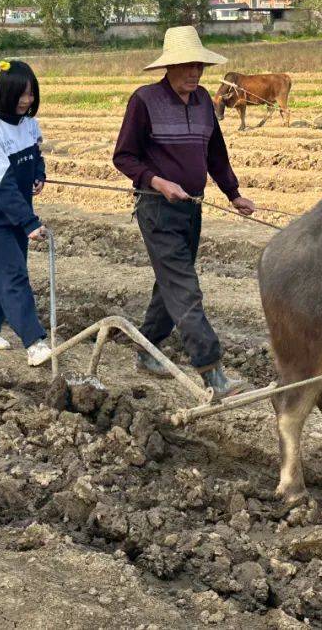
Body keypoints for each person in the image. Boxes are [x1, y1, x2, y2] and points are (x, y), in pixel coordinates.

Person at [112, 25, 256, 398]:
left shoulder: (204, 100)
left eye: (199, 67)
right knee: (183, 286)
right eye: (187, 66)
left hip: (192, 208)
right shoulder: (144, 101)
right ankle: (211, 370)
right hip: (157, 208)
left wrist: (233, 193)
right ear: (170, 66)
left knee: (171, 281)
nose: (195, 73)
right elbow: (124, 156)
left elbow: (215, 154)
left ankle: (146, 349)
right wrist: (157, 181)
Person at [0, 60, 53, 367]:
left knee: (8, 275)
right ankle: (34, 341)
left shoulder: (27, 122)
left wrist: (39, 174)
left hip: (17, 213)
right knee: (13, 276)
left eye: (31, 94)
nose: (27, 101)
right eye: (21, 94)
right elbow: (1, 185)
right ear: (5, 93)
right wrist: (29, 221)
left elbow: (34, 154)